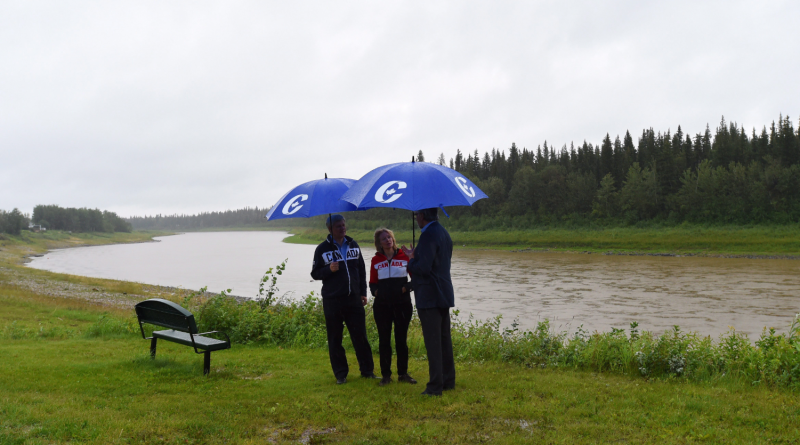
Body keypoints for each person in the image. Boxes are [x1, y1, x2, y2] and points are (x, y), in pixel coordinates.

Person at [310, 214, 378, 384]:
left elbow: (361, 270)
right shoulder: (322, 249)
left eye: (343, 225)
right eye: (338, 226)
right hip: (332, 300)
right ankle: (341, 374)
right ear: (330, 229)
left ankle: (367, 370)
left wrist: (363, 292)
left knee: (360, 336)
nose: (342, 228)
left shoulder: (353, 244)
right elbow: (315, 273)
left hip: (353, 299)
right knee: (335, 338)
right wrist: (328, 270)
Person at [402, 208, 455, 396]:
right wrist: (417, 257)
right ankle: (448, 380)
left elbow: (423, 268)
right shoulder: (443, 232)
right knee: (443, 340)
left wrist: (410, 261)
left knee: (433, 342)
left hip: (429, 294)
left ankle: (434, 387)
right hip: (443, 292)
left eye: (417, 215)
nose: (416, 218)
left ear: (422, 216)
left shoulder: (427, 235)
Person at [369, 227, 418, 387]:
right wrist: (378, 293)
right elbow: (372, 284)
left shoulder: (404, 256)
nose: (388, 240)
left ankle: (403, 373)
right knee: (384, 341)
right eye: (384, 238)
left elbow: (415, 278)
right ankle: (385, 375)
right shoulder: (376, 260)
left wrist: (405, 288)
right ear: (379, 243)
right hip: (382, 306)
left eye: (389, 237)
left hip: (402, 305)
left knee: (401, 340)